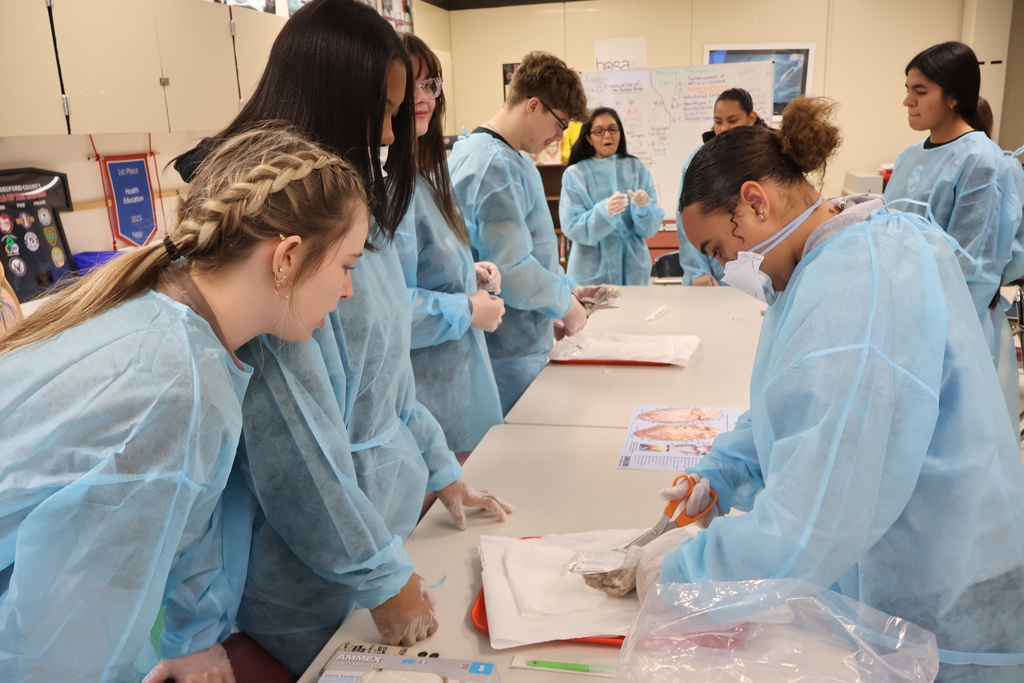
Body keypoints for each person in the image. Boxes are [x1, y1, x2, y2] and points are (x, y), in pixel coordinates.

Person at [173, 0, 512, 674]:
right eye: (384, 112)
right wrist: (381, 577)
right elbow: (299, 451)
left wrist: (441, 469)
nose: (392, 134)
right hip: (310, 576)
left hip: (376, 542)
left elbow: (387, 385)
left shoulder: (347, 207)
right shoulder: (272, 241)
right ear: (332, 100)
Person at [639, 97, 1024, 682]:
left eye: (720, 250)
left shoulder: (857, 287)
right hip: (904, 564)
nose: (725, 271)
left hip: (941, 602)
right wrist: (725, 470)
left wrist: (684, 578)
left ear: (754, 201)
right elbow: (800, 407)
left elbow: (816, 519)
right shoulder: (837, 252)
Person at [0, 125, 369, 683]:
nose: (348, 292)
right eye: (347, 265)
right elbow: (58, 643)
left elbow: (180, 519)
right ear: (288, 257)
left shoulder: (161, 312)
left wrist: (191, 638)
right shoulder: (180, 387)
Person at [884, 41, 1024, 432]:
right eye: (908, 89)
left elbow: (974, 269)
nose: (907, 100)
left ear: (953, 97)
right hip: (901, 315)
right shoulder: (910, 155)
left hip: (950, 325)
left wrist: (921, 319)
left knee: (945, 437)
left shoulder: (981, 160)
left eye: (920, 91)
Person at [449, 51, 591, 415]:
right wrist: (564, 305)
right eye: (560, 124)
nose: (559, 137)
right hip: (508, 351)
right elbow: (510, 271)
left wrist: (561, 293)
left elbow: (530, 249)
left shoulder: (492, 155)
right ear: (533, 105)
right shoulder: (494, 165)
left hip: (517, 337)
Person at [395, 32, 505, 455]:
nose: (423, 97)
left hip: (462, 389)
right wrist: (467, 308)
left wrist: (466, 274)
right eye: (410, 84)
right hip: (430, 400)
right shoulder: (390, 190)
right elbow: (390, 307)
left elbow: (423, 263)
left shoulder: (423, 176)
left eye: (431, 84)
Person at [559, 107, 665, 286]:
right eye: (599, 131)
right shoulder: (575, 174)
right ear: (588, 138)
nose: (607, 136)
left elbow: (648, 230)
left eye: (612, 129)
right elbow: (572, 226)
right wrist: (602, 213)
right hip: (591, 269)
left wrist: (644, 209)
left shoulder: (637, 169)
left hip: (633, 267)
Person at [677, 88, 769, 285]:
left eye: (732, 120)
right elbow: (687, 220)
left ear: (751, 118)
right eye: (718, 122)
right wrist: (696, 271)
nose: (724, 128)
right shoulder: (697, 162)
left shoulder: (766, 158)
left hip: (763, 270)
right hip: (711, 276)